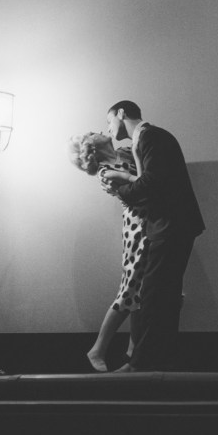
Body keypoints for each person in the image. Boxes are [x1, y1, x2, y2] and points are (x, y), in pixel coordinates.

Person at [99, 100, 205, 371]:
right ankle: (153, 364)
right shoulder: (148, 139)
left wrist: (118, 190)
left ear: (121, 114)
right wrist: (123, 175)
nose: (108, 127)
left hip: (169, 227)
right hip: (169, 226)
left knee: (155, 299)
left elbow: (150, 183)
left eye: (109, 120)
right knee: (162, 299)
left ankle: (139, 366)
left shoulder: (151, 137)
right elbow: (153, 182)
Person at [68, 131, 147, 371]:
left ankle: (132, 354)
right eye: (93, 133)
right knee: (130, 289)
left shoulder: (124, 152)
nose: (101, 130)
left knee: (140, 292)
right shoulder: (106, 172)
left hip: (149, 222)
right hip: (137, 225)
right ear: (92, 147)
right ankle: (98, 349)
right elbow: (143, 184)